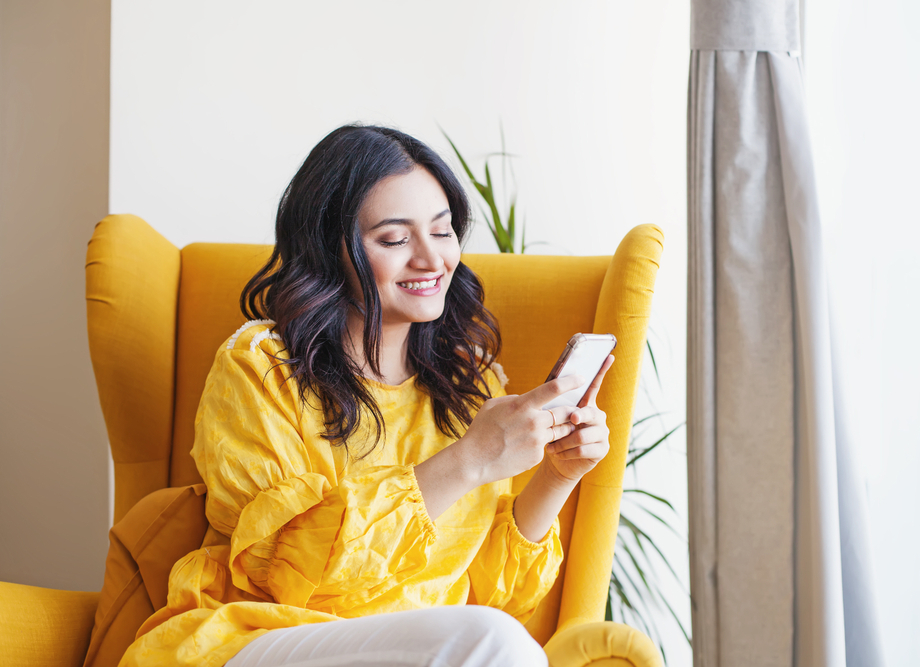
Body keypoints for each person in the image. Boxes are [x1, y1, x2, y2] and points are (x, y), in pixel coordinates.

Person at [121, 125, 614, 667]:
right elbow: (279, 569)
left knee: (490, 636)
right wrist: (468, 460)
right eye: (395, 239)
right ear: (331, 250)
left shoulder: (470, 387)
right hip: (255, 637)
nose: (431, 260)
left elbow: (494, 598)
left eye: (443, 230)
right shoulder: (262, 367)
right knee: (487, 642)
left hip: (412, 654)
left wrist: (556, 476)